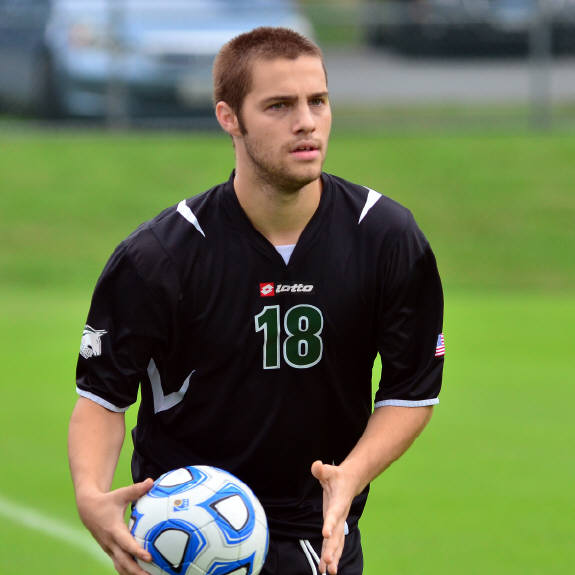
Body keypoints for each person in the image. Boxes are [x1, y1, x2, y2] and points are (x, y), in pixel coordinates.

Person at [68, 27, 444, 575]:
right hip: (183, 545)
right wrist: (89, 492)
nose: (306, 122)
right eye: (279, 106)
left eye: (318, 101)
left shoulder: (385, 237)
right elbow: (102, 398)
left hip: (318, 541)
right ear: (229, 117)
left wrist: (351, 475)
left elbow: (411, 391)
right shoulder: (159, 257)